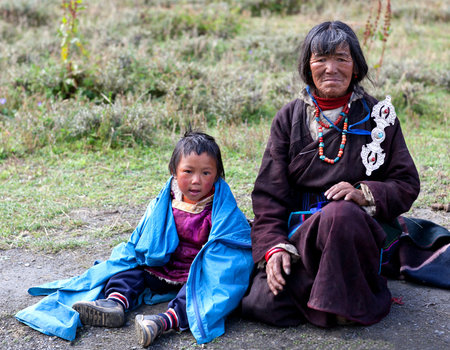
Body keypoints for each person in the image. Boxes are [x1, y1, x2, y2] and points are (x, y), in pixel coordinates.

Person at [241, 21, 421, 327]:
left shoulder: (380, 117)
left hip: (354, 233)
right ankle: (337, 302)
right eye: (320, 59)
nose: (331, 68)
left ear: (356, 66)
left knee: (341, 215)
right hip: (305, 234)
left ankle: (332, 299)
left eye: (341, 58)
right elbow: (269, 196)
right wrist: (273, 247)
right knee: (263, 304)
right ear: (307, 66)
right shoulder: (289, 117)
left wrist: (363, 194)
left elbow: (406, 183)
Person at [16, 131, 253, 347]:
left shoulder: (220, 207)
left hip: (194, 274)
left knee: (202, 292)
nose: (196, 181)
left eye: (206, 173)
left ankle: (161, 322)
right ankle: (115, 303)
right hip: (162, 267)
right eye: (188, 171)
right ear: (174, 171)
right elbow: (143, 239)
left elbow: (232, 242)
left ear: (218, 175)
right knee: (128, 270)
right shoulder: (167, 200)